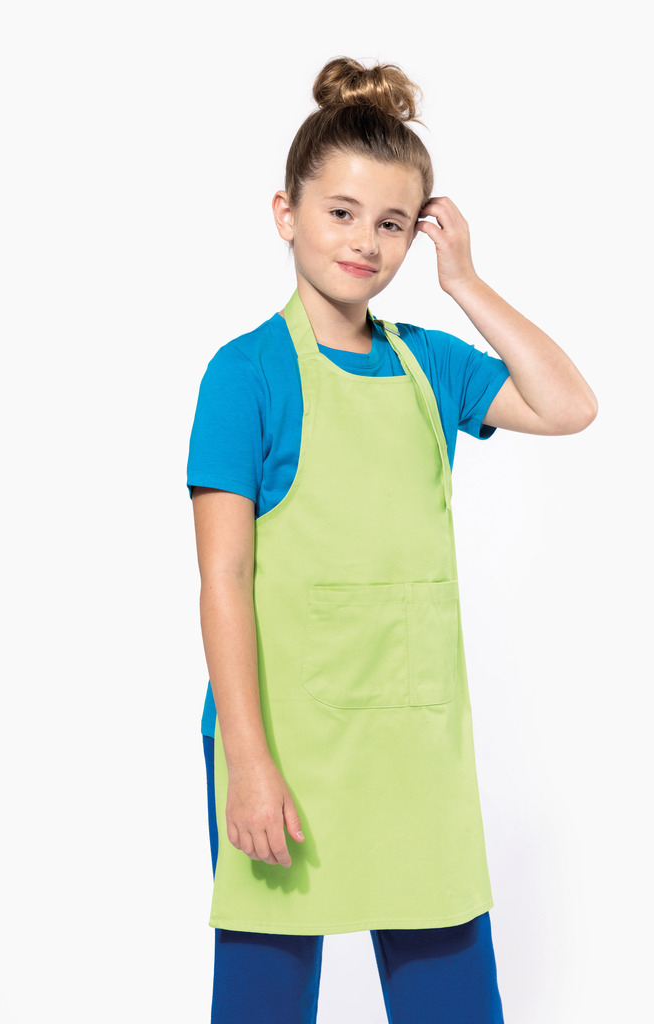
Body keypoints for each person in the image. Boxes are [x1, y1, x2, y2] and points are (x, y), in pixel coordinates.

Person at [187, 55, 597, 1024]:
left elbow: (569, 404)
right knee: (262, 1001)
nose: (363, 242)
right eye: (340, 212)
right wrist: (247, 758)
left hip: (413, 746)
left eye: (391, 223)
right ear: (285, 212)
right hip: (280, 741)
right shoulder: (245, 374)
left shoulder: (431, 366)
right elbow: (223, 576)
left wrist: (466, 281)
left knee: (454, 1004)